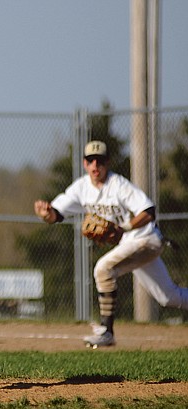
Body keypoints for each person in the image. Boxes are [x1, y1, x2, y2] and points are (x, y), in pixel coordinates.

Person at [34, 140, 188, 347]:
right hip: (131, 246)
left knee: (103, 269)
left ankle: (107, 331)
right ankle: (107, 331)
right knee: (168, 297)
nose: (95, 166)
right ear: (84, 164)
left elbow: (148, 211)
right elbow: (57, 214)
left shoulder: (119, 185)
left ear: (108, 162)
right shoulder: (81, 187)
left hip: (146, 240)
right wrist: (46, 214)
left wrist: (124, 227)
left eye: (100, 161)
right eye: (90, 161)